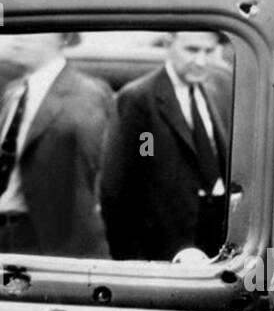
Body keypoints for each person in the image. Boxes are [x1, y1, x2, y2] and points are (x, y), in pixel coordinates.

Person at [0, 32, 114, 257]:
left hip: (46, 246)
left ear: (62, 38)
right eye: (18, 28)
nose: (18, 38)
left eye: (32, 30)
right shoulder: (12, 92)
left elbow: (98, 179)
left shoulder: (86, 95)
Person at [100, 31, 233, 261]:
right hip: (167, 243)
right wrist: (133, 260)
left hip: (215, 233)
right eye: (191, 50)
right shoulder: (141, 100)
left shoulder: (215, 90)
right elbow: (124, 184)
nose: (201, 61)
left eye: (209, 51)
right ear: (168, 45)